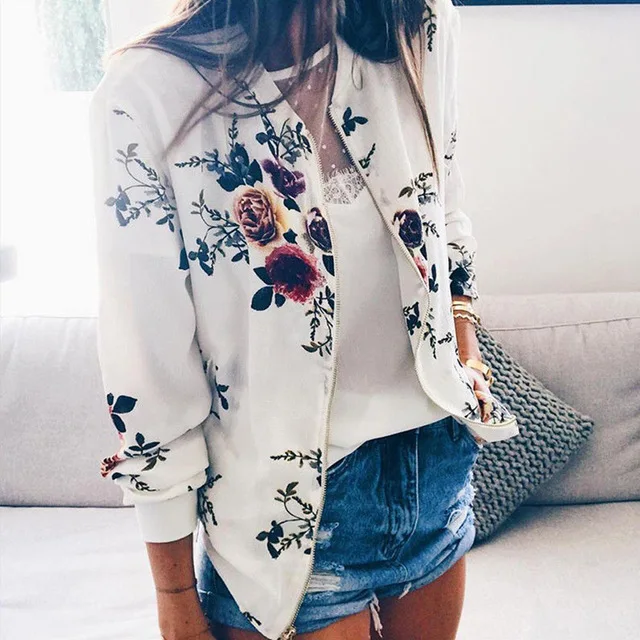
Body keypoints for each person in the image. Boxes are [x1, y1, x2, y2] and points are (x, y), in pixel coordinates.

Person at [89, 0, 519, 638]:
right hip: (282, 518)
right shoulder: (147, 94)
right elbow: (147, 364)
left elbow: (446, 206)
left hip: (435, 465)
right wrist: (173, 592)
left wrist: (465, 348)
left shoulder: (416, 23)